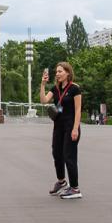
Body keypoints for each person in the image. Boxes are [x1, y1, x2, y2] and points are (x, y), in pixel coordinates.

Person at [40, 61, 83, 200]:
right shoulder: (55, 88)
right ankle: (62, 182)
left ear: (68, 73)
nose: (57, 74)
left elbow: (78, 110)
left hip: (71, 126)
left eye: (60, 71)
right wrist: (42, 84)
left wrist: (75, 128)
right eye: (56, 72)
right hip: (58, 126)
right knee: (56, 153)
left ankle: (75, 188)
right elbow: (44, 101)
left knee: (69, 156)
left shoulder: (75, 88)